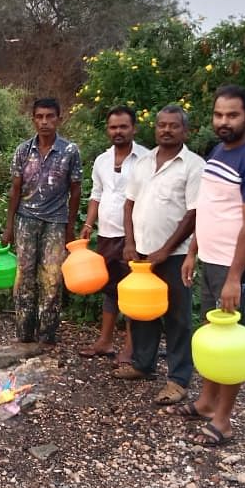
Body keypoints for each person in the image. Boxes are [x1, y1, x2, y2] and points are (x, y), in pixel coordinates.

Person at [172, 84, 245, 447]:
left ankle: (224, 420)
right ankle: (205, 403)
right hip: (211, 260)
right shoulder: (218, 151)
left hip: (239, 267)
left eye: (232, 115)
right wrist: (192, 252)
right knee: (212, 336)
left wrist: (235, 278)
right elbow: (209, 208)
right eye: (219, 115)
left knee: (232, 343)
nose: (224, 121)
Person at [115, 106, 204, 405]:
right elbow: (129, 205)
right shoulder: (143, 163)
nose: (166, 130)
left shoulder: (193, 165)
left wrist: (165, 250)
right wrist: (129, 242)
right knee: (141, 311)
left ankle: (178, 379)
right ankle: (143, 364)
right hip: (140, 253)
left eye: (173, 126)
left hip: (175, 255)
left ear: (185, 131)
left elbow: (194, 213)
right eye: (161, 125)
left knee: (178, 317)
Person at [2, 97, 82, 345]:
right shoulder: (23, 151)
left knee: (52, 279)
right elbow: (15, 190)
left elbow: (76, 190)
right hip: (26, 220)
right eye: (40, 117)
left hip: (56, 223)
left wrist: (70, 229)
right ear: (33, 119)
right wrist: (9, 227)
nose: (45, 122)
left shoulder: (70, 151)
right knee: (24, 278)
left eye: (50, 116)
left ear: (59, 118)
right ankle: (24, 335)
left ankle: (47, 336)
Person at [78, 106, 148, 362]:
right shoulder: (102, 160)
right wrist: (88, 224)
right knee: (110, 289)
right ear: (107, 130)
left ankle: (130, 349)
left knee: (132, 291)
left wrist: (136, 239)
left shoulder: (146, 159)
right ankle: (105, 342)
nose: (118, 132)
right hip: (107, 233)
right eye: (113, 127)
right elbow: (97, 194)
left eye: (123, 127)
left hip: (136, 236)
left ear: (133, 129)